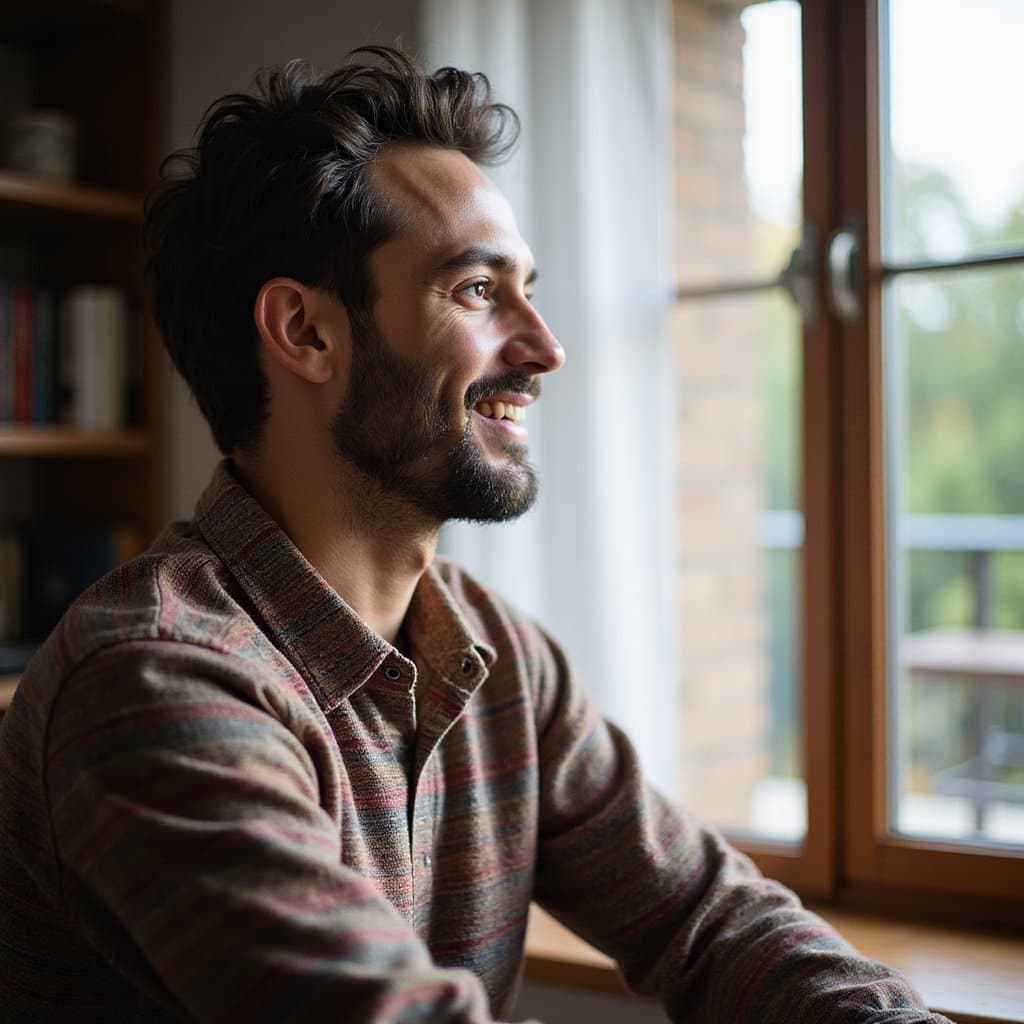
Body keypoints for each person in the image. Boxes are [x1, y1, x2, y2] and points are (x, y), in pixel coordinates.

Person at [0, 46, 952, 1024]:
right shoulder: (153, 681)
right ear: (306, 332)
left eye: (526, 288)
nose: (543, 348)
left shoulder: (494, 658)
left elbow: (713, 920)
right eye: (476, 290)